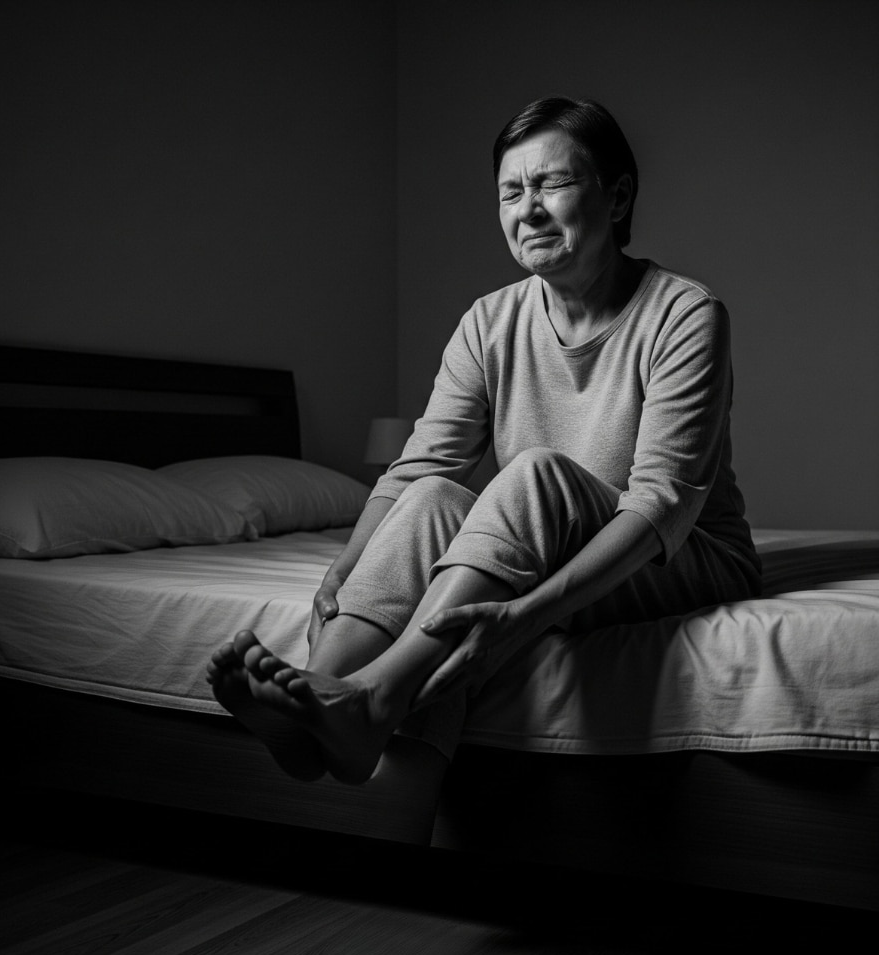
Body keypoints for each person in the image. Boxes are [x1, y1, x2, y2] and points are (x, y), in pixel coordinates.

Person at [208, 96, 761, 786]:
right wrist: (346, 568)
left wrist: (528, 614)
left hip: (678, 553)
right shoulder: (488, 320)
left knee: (530, 476)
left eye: (552, 184)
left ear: (617, 198)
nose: (527, 209)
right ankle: (318, 701)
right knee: (437, 495)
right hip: (546, 537)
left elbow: (661, 504)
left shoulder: (684, 314)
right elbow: (421, 466)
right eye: (510, 191)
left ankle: (378, 698)